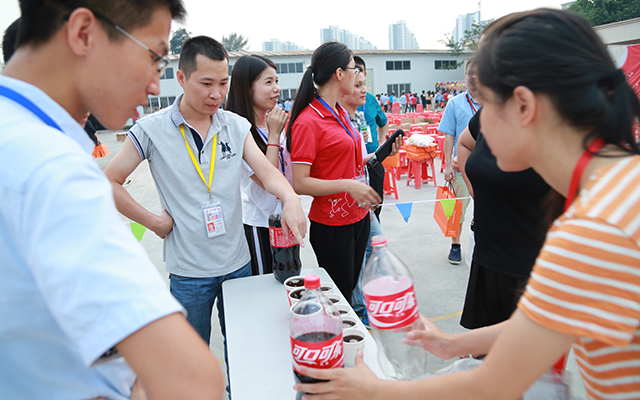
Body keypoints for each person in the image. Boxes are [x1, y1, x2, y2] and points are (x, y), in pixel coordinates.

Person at [293, 9, 640, 400]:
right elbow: (548, 321)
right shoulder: (615, 193)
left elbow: (494, 383)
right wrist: (453, 345)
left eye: (485, 104)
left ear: (524, 106)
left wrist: (374, 390)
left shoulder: (594, 229)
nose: (479, 124)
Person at [0, 1, 227, 399]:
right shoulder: (53, 168)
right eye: (153, 56)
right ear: (84, 33)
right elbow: (190, 381)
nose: (155, 85)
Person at [104, 36, 306, 348]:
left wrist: (290, 197)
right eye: (206, 83)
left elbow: (267, 173)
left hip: (237, 265)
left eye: (223, 83)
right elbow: (109, 182)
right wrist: (153, 223)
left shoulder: (235, 126)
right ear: (181, 78)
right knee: (190, 354)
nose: (216, 94)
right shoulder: (151, 130)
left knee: (243, 349)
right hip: (189, 273)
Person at [287, 41, 380, 305]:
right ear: (339, 74)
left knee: (350, 288)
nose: (357, 75)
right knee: (339, 296)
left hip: (357, 216)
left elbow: (341, 160)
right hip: (332, 224)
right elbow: (300, 183)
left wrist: (374, 157)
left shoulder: (340, 112)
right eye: (353, 69)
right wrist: (348, 185)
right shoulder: (308, 121)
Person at [457, 106, 553, 330]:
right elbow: (464, 143)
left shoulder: (555, 123)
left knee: (526, 345)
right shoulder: (490, 112)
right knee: (492, 341)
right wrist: (473, 188)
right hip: (487, 256)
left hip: (529, 267)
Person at [225, 54, 291, 276]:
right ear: (247, 88)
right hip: (260, 223)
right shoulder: (240, 132)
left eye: (277, 81)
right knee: (266, 281)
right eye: (268, 82)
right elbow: (267, 179)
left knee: (287, 277)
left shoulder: (274, 124)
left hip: (284, 217)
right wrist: (274, 135)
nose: (276, 89)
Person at [438, 59, 480, 264]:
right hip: (460, 167)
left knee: (485, 209)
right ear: (465, 76)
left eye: (478, 72)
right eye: (469, 73)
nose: (473, 77)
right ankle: (455, 245)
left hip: (486, 167)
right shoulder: (455, 103)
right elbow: (449, 136)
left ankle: (481, 244)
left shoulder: (494, 103)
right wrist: (447, 166)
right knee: (457, 210)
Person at [353, 56, 389, 220]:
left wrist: (382, 143)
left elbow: (383, 122)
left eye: (359, 71)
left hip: (373, 158)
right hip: (353, 163)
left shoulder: (370, 100)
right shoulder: (340, 104)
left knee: (376, 204)